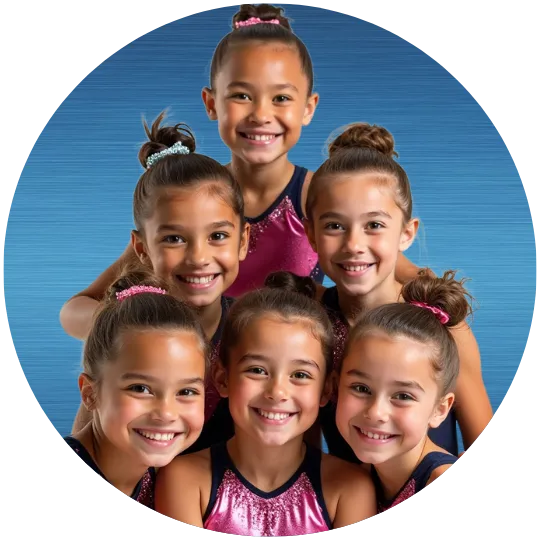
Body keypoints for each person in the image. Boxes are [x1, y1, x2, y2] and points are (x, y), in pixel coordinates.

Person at [58, 4, 418, 322]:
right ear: (211, 103)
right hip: (194, 375)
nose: (261, 115)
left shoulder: (320, 198)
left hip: (285, 382)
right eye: (242, 96)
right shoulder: (190, 198)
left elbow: (403, 279)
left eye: (280, 98)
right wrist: (135, 328)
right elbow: (78, 308)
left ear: (308, 108)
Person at [301, 121, 493, 461]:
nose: (354, 244)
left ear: (406, 233)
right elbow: (307, 446)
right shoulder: (311, 319)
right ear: (311, 234)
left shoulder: (438, 320)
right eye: (334, 226)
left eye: (374, 225)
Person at [63, 112, 248, 452]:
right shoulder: (131, 325)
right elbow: (72, 312)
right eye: (174, 239)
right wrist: (122, 325)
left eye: (218, 235)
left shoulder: (248, 331)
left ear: (243, 241)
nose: (198, 257)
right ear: (142, 249)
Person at [154, 278, 376, 535]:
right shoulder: (183, 480)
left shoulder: (350, 489)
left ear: (326, 389)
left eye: (301, 375)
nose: (277, 392)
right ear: (222, 379)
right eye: (257, 370)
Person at [64, 267, 208, 510]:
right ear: (90, 393)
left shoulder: (167, 484)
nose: (166, 413)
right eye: (141, 388)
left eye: (186, 392)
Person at [335, 270, 470, 511]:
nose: (376, 412)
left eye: (403, 396)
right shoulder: (361, 479)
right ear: (336, 386)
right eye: (361, 388)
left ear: (440, 409)